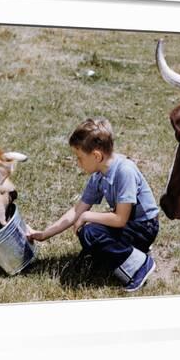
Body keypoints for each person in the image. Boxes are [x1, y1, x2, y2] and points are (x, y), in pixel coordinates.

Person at [27, 117, 159, 292]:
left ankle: (140, 266)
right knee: (87, 231)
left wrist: (87, 216)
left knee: (91, 231)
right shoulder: (98, 175)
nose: (77, 162)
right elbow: (77, 210)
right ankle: (124, 252)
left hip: (144, 227)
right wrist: (43, 234)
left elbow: (120, 219)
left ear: (96, 155)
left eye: (80, 157)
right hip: (129, 224)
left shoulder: (124, 170)